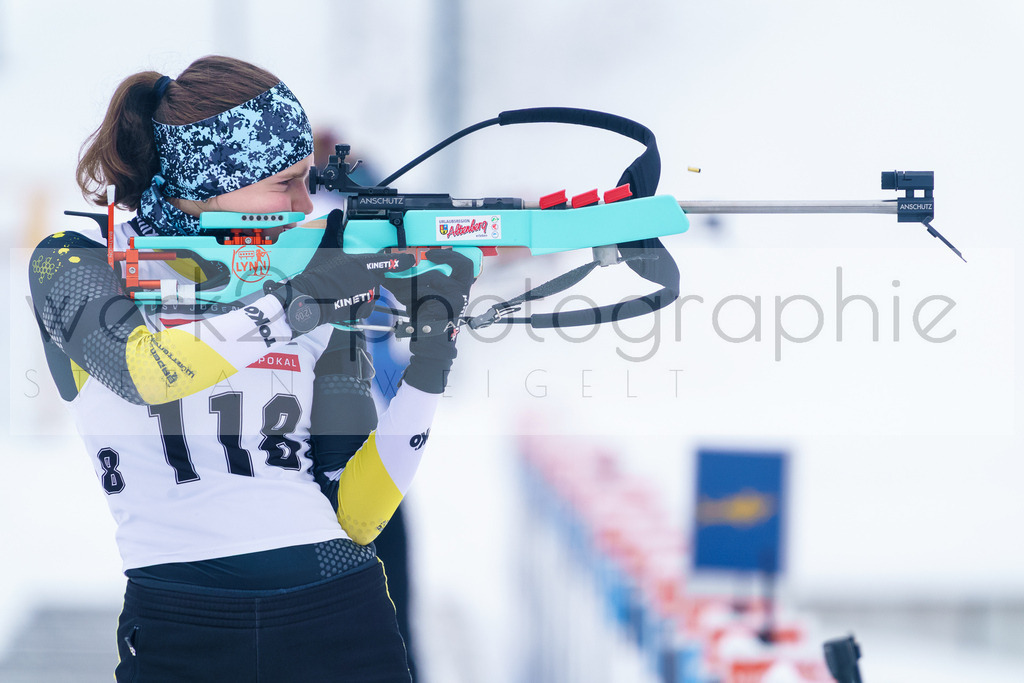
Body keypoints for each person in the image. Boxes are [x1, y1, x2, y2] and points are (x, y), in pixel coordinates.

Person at [28, 55, 472, 682]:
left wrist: (432, 355)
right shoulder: (73, 262)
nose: (302, 204)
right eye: (282, 183)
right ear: (213, 180)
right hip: (179, 631)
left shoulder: (301, 274)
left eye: (306, 181)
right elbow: (146, 370)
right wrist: (300, 303)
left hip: (340, 611)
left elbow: (359, 512)